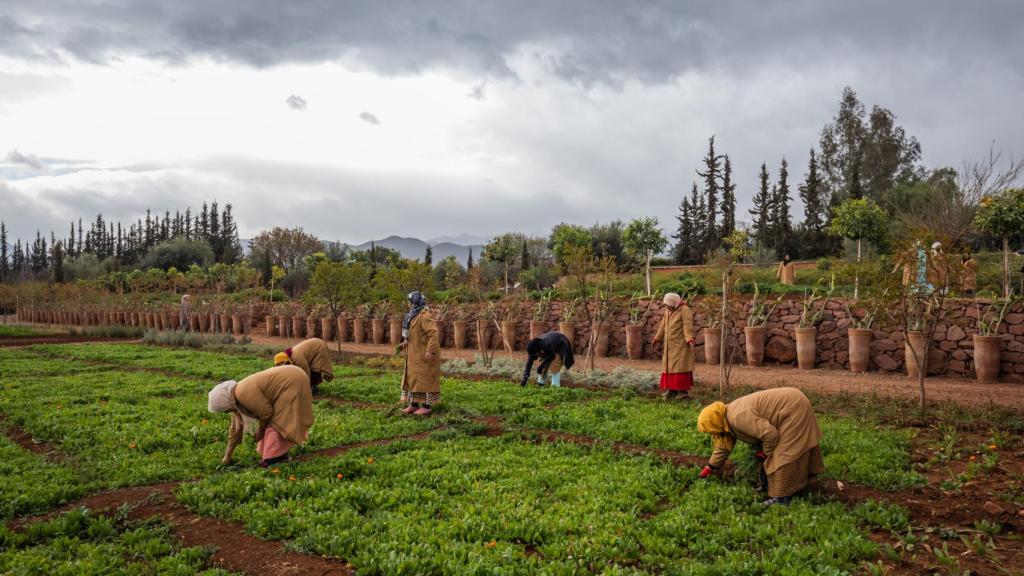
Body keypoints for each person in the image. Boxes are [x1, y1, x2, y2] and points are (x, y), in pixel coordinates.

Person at [696, 387, 824, 506]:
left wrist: (765, 452)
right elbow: (723, 446)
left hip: (793, 407)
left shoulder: (737, 418)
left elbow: (770, 435)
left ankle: (782, 497)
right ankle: (801, 481)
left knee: (782, 454)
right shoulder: (725, 419)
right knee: (785, 449)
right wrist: (711, 467)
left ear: (715, 422)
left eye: (711, 430)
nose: (713, 434)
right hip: (792, 402)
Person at [208, 364, 314, 467]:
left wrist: (260, 429)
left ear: (225, 402)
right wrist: (227, 456)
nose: (226, 412)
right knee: (273, 423)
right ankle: (278, 456)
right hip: (291, 378)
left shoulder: (242, 393)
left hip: (292, 381)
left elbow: (266, 413)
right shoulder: (235, 400)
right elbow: (235, 431)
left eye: (224, 410)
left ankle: (275, 459)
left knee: (278, 423)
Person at [399, 291, 441, 416]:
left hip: (424, 353)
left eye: (410, 301)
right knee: (414, 379)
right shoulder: (413, 315)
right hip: (414, 352)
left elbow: (433, 334)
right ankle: (414, 405)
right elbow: (414, 334)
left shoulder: (425, 316)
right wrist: (405, 343)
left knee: (424, 379)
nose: (408, 304)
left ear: (415, 302)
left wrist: (429, 350)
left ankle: (426, 406)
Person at [651, 292, 695, 400]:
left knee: (680, 368)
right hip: (669, 345)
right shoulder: (668, 311)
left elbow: (687, 326)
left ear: (673, 303)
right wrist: (657, 338)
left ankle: (682, 392)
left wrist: (689, 338)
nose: (666, 307)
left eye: (668, 305)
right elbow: (662, 326)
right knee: (670, 368)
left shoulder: (685, 310)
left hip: (680, 345)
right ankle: (672, 390)